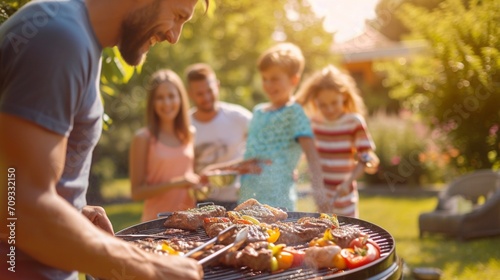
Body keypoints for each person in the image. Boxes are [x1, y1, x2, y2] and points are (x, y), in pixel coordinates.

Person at [0, 0, 208, 279]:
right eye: (178, 16)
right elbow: (19, 209)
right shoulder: (59, 38)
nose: (174, 36)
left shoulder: (76, 36)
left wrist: (73, 211)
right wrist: (149, 268)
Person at [239, 42, 325, 211]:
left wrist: (319, 192)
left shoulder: (294, 112)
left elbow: (311, 154)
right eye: (265, 79)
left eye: (275, 79)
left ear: (294, 80)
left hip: (278, 203)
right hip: (248, 197)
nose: (268, 84)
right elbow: (253, 151)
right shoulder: (257, 112)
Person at [295, 64, 379, 218]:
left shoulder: (353, 122)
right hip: (321, 194)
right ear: (315, 103)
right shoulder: (314, 123)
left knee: (347, 234)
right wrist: (318, 192)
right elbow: (310, 158)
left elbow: (365, 157)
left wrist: (348, 182)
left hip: (345, 195)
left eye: (334, 103)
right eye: (323, 105)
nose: (329, 109)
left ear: (344, 97)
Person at [130, 69, 200, 221]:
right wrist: (177, 183)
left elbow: (189, 177)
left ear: (180, 98)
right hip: (156, 223)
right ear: (152, 103)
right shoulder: (143, 138)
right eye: (160, 98)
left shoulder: (189, 134)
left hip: (189, 223)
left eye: (171, 96)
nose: (167, 103)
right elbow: (136, 193)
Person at [185, 63, 253, 210]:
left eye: (210, 90)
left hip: (237, 200)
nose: (206, 97)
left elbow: (263, 147)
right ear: (190, 94)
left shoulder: (239, 117)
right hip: (200, 201)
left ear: (217, 85)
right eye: (200, 94)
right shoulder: (184, 124)